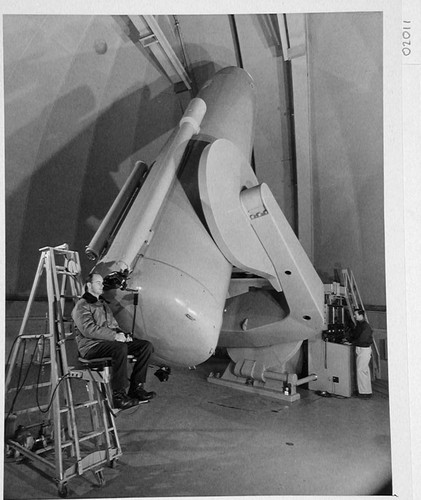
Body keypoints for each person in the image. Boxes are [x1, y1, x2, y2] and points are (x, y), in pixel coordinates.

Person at [72, 273, 156, 410]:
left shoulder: (103, 304)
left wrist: (124, 335)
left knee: (145, 346)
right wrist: (115, 337)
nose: (102, 285)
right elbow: (88, 330)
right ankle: (119, 396)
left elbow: (113, 326)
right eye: (98, 283)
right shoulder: (82, 305)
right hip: (91, 347)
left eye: (101, 282)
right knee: (120, 348)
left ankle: (136, 388)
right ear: (89, 285)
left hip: (108, 343)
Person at [348, 309, 373, 399]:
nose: (354, 316)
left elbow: (362, 339)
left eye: (355, 314)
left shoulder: (366, 326)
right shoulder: (360, 325)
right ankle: (366, 391)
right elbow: (355, 335)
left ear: (361, 315)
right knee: (364, 370)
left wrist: (352, 343)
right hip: (361, 349)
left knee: (361, 370)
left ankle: (364, 393)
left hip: (364, 349)